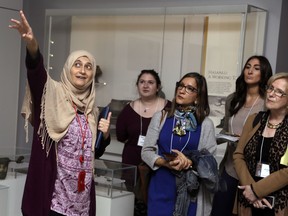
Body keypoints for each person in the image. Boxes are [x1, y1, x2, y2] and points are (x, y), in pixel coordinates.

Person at [10, 10, 111, 216]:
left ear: (92, 74)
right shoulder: (52, 96)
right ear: (68, 69)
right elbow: (37, 73)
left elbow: (91, 153)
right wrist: (32, 45)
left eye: (88, 66)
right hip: (53, 202)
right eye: (77, 64)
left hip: (82, 205)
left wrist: (105, 136)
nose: (82, 70)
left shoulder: (92, 110)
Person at [141, 72, 218, 216]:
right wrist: (165, 162)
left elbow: (210, 160)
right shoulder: (161, 117)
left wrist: (189, 162)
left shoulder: (206, 124)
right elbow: (146, 151)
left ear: (198, 97)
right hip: (161, 186)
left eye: (189, 88)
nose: (182, 90)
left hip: (191, 190)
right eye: (181, 86)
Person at [211, 55, 272, 216]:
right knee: (219, 211)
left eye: (256, 68)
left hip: (252, 170)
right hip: (229, 167)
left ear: (264, 74)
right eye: (247, 67)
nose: (250, 71)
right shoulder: (233, 99)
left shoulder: (268, 102)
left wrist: (245, 139)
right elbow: (225, 129)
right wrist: (218, 138)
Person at [116, 69, 171, 216]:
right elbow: (121, 136)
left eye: (150, 82)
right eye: (142, 82)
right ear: (137, 85)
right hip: (132, 163)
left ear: (158, 87)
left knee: (155, 206)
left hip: (158, 165)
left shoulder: (169, 108)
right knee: (133, 208)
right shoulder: (128, 109)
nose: (145, 85)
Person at [233, 72, 288, 216]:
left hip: (278, 203)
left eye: (279, 92)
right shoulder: (254, 120)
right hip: (248, 199)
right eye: (270, 88)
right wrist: (250, 189)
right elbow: (238, 155)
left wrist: (257, 190)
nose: (271, 94)